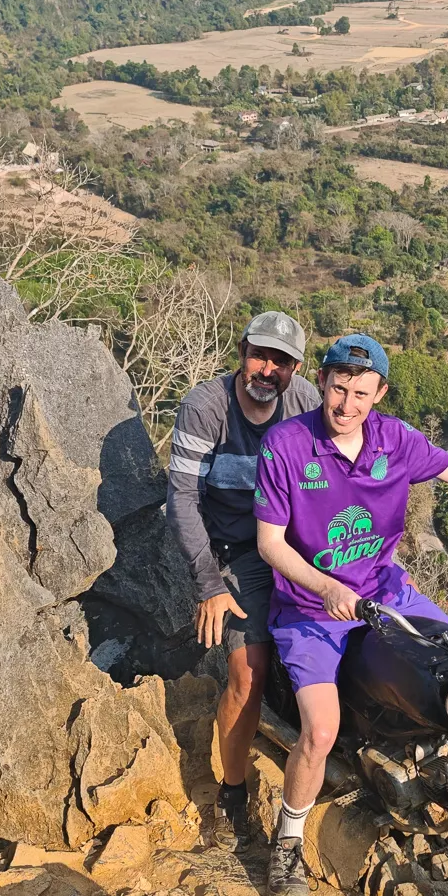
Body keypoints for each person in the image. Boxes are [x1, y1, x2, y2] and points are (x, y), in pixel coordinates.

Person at [254, 333, 448, 896]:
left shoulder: (395, 440)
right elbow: (270, 542)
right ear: (321, 381)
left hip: (388, 593)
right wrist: (323, 585)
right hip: (309, 609)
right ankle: (287, 842)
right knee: (320, 730)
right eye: (338, 388)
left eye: (360, 393)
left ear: (380, 394)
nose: (346, 405)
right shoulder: (287, 444)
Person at [167, 311, 317, 849]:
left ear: (295, 369)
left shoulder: (306, 404)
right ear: (242, 352)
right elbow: (182, 499)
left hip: (296, 543)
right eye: (259, 355)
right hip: (235, 548)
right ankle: (232, 792)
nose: (267, 369)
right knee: (247, 674)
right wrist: (209, 583)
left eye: (280, 361)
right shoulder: (207, 406)